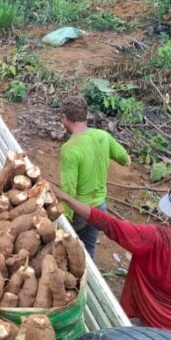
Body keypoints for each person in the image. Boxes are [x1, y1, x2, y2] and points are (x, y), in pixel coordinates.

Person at [52, 178, 171, 336]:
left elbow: (107, 223)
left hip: (147, 327)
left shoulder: (153, 237)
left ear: (168, 208)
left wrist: (66, 198)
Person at [59, 95, 130, 258]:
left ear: (65, 117)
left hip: (79, 211)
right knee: (88, 251)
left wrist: (64, 222)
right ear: (85, 116)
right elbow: (126, 160)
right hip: (100, 208)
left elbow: (68, 189)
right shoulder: (103, 136)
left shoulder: (69, 149)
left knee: (62, 251)